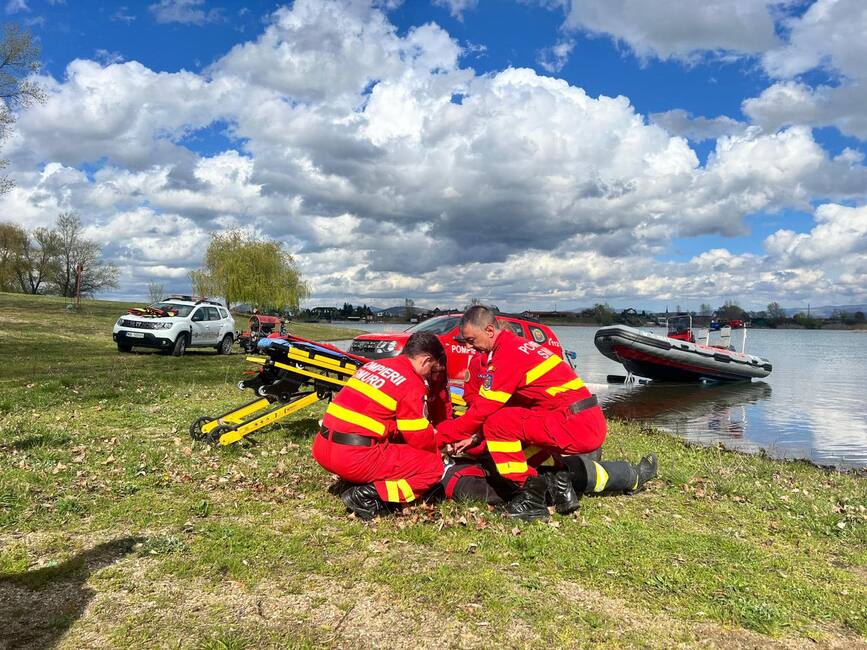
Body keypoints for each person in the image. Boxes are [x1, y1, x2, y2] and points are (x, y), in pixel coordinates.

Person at [435, 305, 656, 521]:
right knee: (516, 439)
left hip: (574, 423)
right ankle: (594, 478)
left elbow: (481, 413)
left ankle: (532, 496)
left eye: (472, 341)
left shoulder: (507, 356)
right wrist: (473, 436)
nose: (472, 348)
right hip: (576, 418)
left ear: (490, 331)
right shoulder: (515, 349)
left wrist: (437, 438)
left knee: (498, 425)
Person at [312, 332, 447, 520]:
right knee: (432, 466)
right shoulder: (411, 382)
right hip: (352, 459)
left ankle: (358, 482)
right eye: (433, 369)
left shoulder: (373, 365)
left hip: (323, 448)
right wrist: (442, 444)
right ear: (426, 361)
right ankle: (370, 495)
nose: (431, 376)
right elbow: (419, 439)